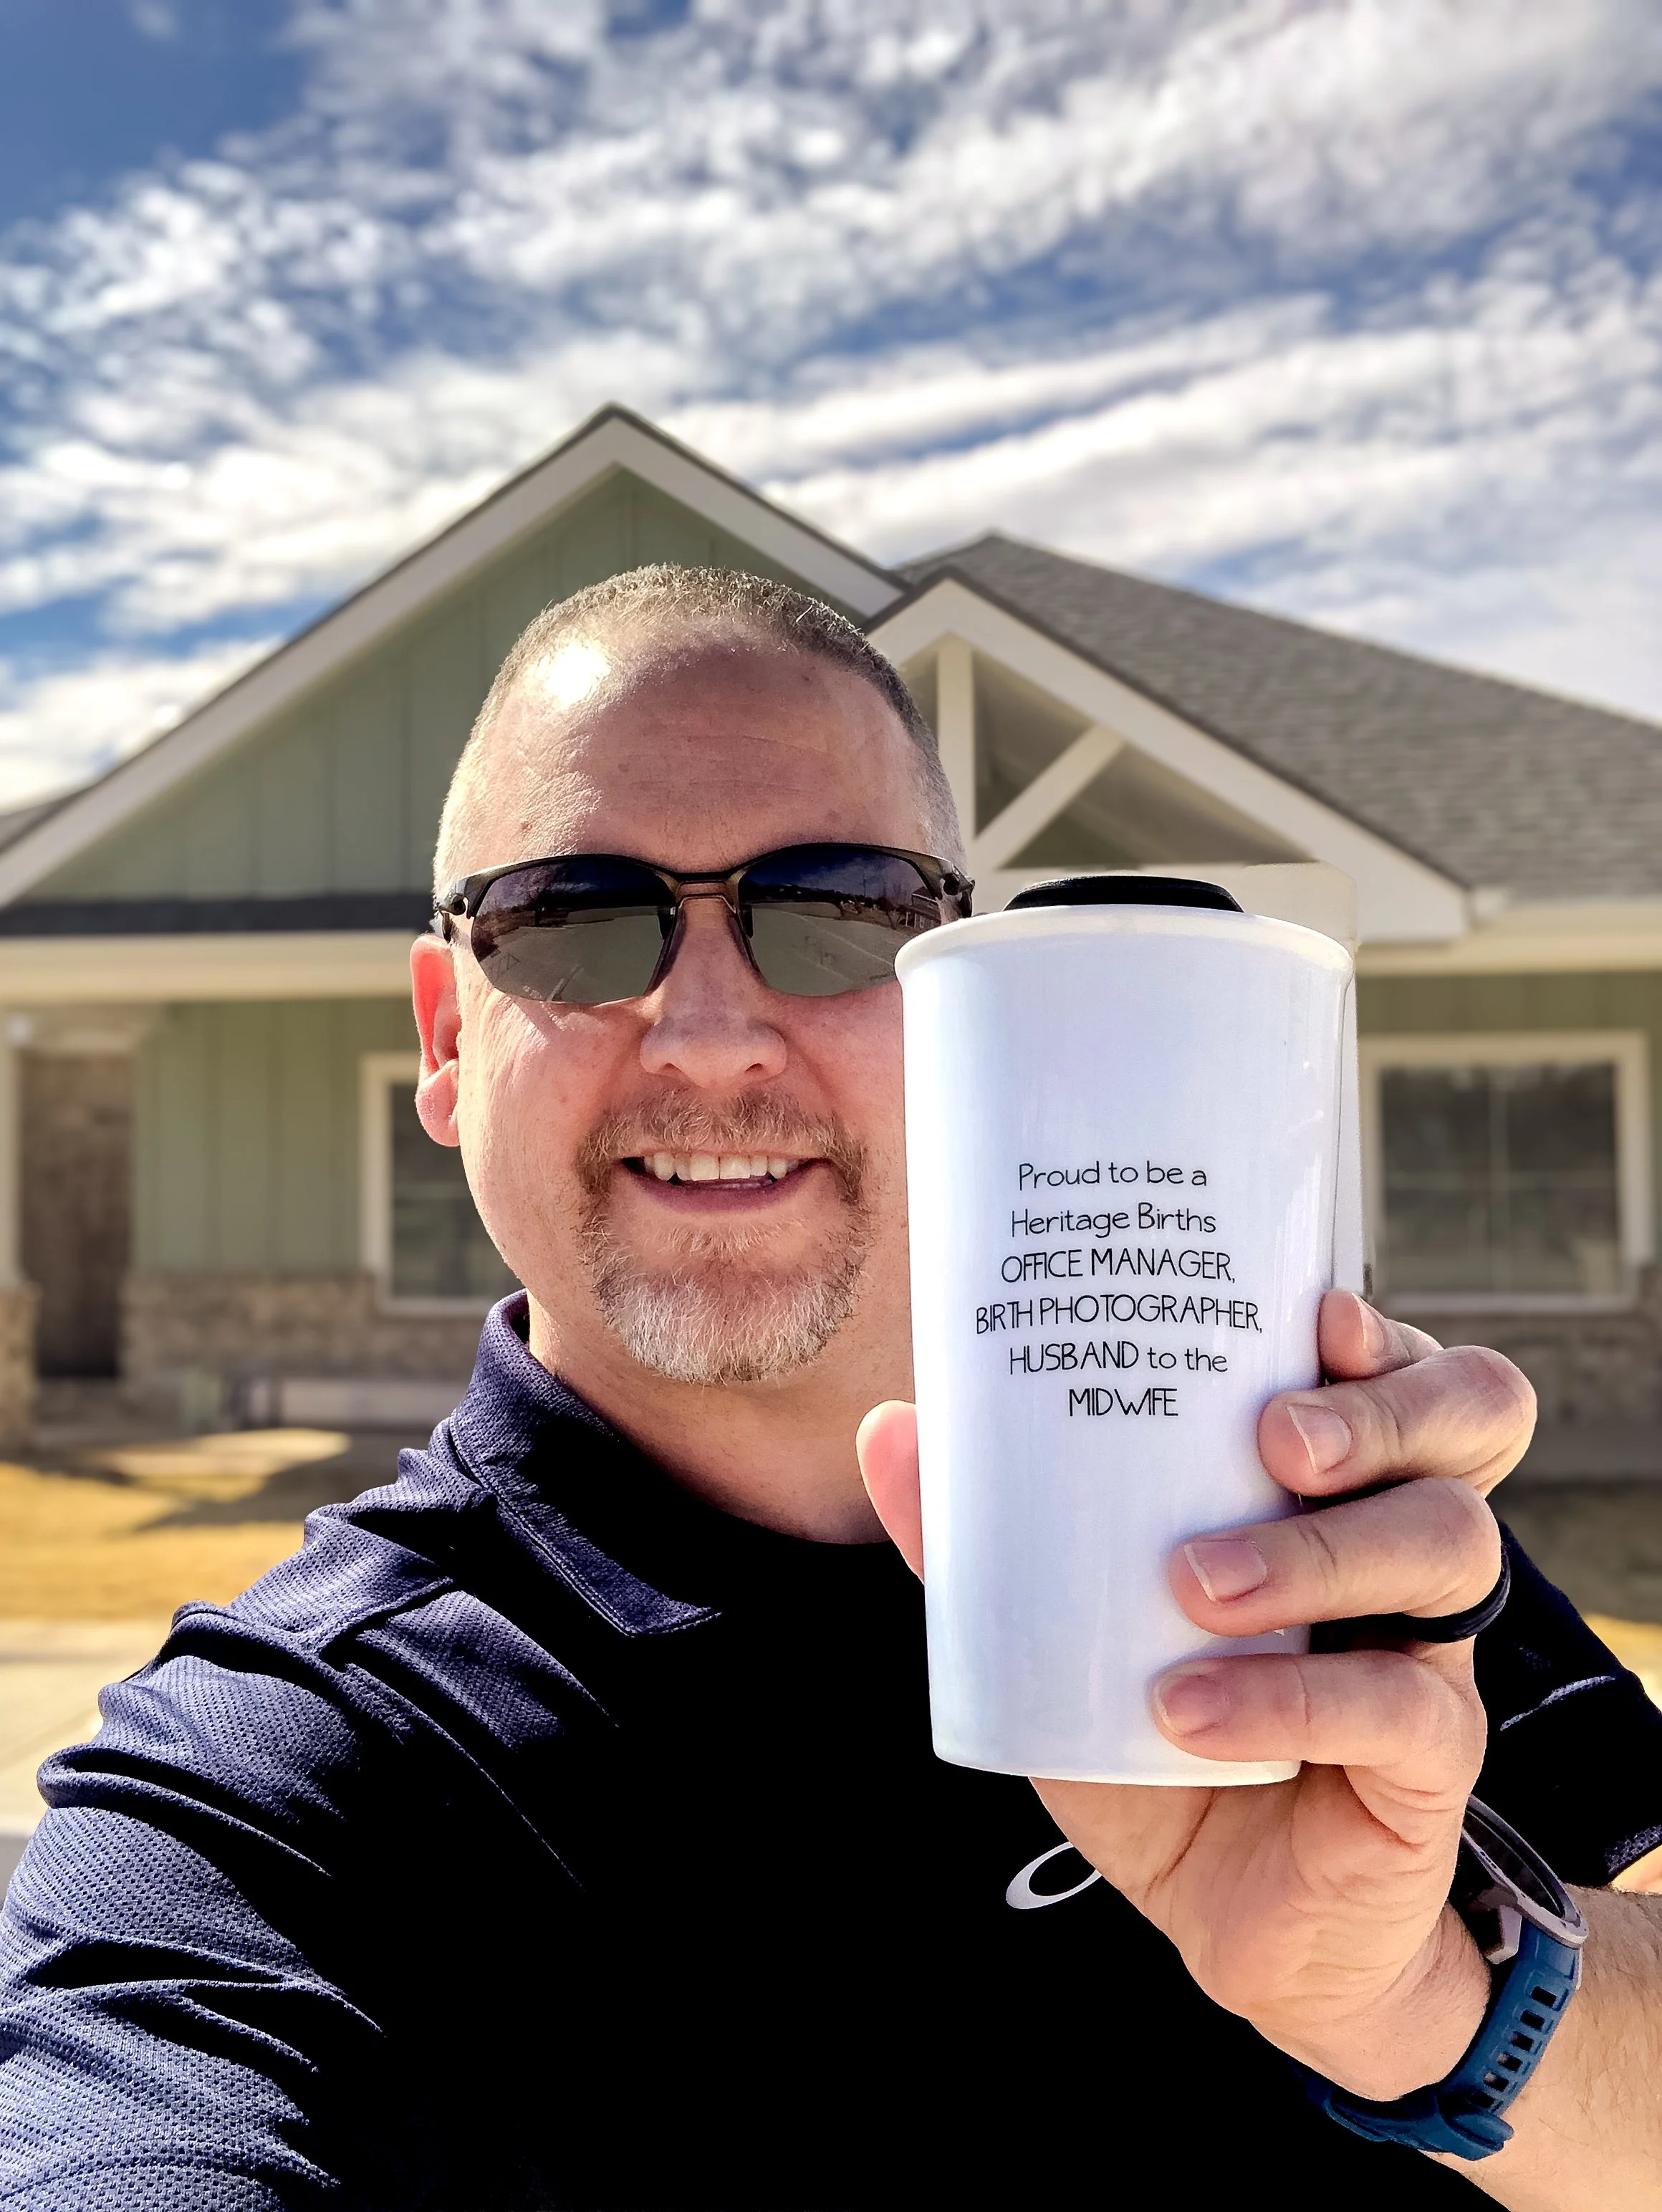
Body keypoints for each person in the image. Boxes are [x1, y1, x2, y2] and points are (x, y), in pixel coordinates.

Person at [1, 567, 1659, 2212]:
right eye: (576, 916)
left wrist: (1430, 2005)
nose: (712, 1033)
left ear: (959, 997)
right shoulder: (289, 1777)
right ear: (447, 1038)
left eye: (836, 908)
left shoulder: (1310, 1532)